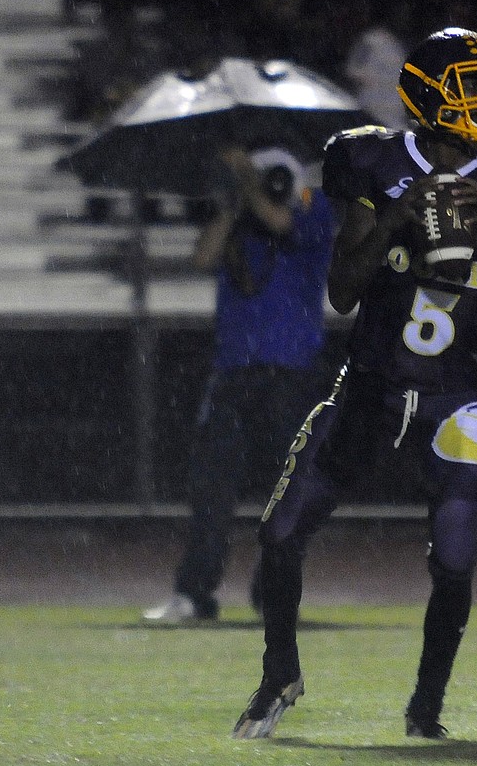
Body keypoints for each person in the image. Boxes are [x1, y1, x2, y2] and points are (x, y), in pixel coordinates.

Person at [231, 27, 477, 740]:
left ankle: (425, 709)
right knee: (280, 532)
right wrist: (394, 222)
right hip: (371, 387)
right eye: (476, 88)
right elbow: (343, 291)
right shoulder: (372, 162)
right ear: (430, 96)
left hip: (456, 396)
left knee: (456, 558)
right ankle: (279, 675)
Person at [143, 144, 336, 623]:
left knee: (286, 493)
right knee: (212, 488)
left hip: (292, 374)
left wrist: (247, 179)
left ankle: (273, 594)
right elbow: (202, 257)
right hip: (234, 372)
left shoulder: (314, 211)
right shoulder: (239, 224)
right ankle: (194, 593)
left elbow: (283, 223)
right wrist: (233, 205)